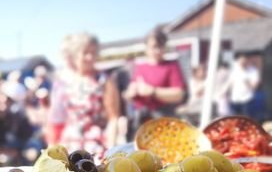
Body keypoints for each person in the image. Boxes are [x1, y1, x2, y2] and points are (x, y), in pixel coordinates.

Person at [48, 32, 122, 160]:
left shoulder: (104, 80)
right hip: (69, 145)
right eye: (85, 53)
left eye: (93, 53)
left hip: (96, 146)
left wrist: (111, 149)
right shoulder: (63, 82)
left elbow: (113, 118)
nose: (90, 57)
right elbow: (56, 119)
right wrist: (52, 148)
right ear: (75, 54)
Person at [125, 28, 186, 127]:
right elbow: (130, 92)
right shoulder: (140, 68)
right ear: (146, 48)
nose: (157, 51)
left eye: (160, 46)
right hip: (142, 118)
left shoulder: (171, 66)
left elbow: (179, 94)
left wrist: (153, 91)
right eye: (153, 47)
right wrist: (131, 93)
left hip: (163, 118)